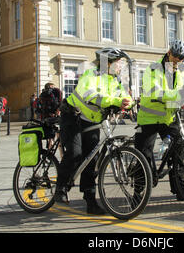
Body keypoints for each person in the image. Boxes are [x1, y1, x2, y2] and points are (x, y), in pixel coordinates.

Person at [55, 47, 133, 215]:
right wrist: (113, 101)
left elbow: (126, 96)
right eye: (118, 63)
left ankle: (90, 201)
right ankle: (60, 188)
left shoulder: (115, 81)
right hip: (73, 117)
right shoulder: (90, 76)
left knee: (92, 160)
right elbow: (90, 95)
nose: (120, 66)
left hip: (92, 121)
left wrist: (127, 103)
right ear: (108, 63)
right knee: (75, 154)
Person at [135, 39, 184, 200]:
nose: (179, 60)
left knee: (178, 153)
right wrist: (180, 95)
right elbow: (155, 92)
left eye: (183, 58)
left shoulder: (182, 71)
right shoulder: (153, 68)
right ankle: (138, 193)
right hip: (149, 118)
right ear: (169, 52)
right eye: (177, 56)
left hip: (168, 118)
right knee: (143, 156)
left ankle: (180, 190)